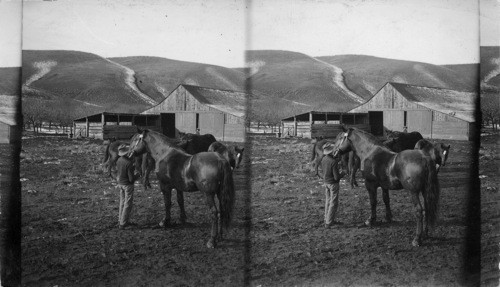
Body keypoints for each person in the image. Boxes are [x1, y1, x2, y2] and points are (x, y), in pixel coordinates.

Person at [113, 144, 140, 230]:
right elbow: (131, 179)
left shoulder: (119, 160)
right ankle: (123, 223)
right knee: (128, 204)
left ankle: (120, 220)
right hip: (127, 185)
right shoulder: (129, 163)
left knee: (122, 202)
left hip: (120, 183)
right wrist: (138, 175)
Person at [320, 142, 346, 228]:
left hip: (326, 182)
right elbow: (336, 177)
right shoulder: (333, 161)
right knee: (333, 203)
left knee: (328, 201)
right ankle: (329, 222)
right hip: (333, 184)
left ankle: (326, 219)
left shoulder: (323, 159)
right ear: (331, 152)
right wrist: (343, 173)